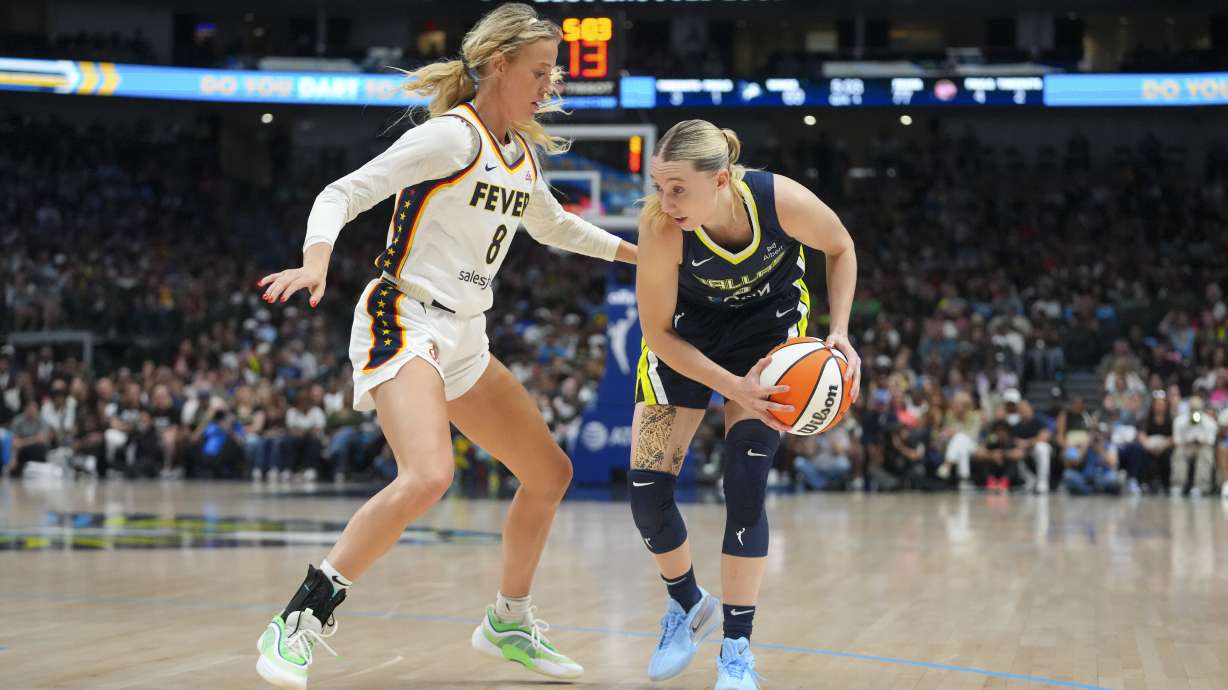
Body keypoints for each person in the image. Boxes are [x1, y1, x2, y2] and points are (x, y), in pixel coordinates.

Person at [252, 5, 636, 688]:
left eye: (554, 74)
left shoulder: (518, 152)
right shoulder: (450, 139)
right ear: (498, 65)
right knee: (429, 475)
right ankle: (300, 620)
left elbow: (554, 229)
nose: (550, 86)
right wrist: (316, 262)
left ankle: (508, 622)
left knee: (549, 474)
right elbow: (344, 193)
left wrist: (639, 256)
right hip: (404, 317)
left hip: (464, 333)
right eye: (541, 71)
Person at [629, 119, 860, 689]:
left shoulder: (777, 200)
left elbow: (841, 246)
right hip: (686, 338)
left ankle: (736, 650)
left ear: (722, 180)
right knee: (646, 492)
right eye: (660, 185)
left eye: (679, 187)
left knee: (746, 485)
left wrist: (842, 331)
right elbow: (657, 332)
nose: (666, 200)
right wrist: (728, 384)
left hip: (769, 336)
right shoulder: (661, 228)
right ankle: (687, 603)